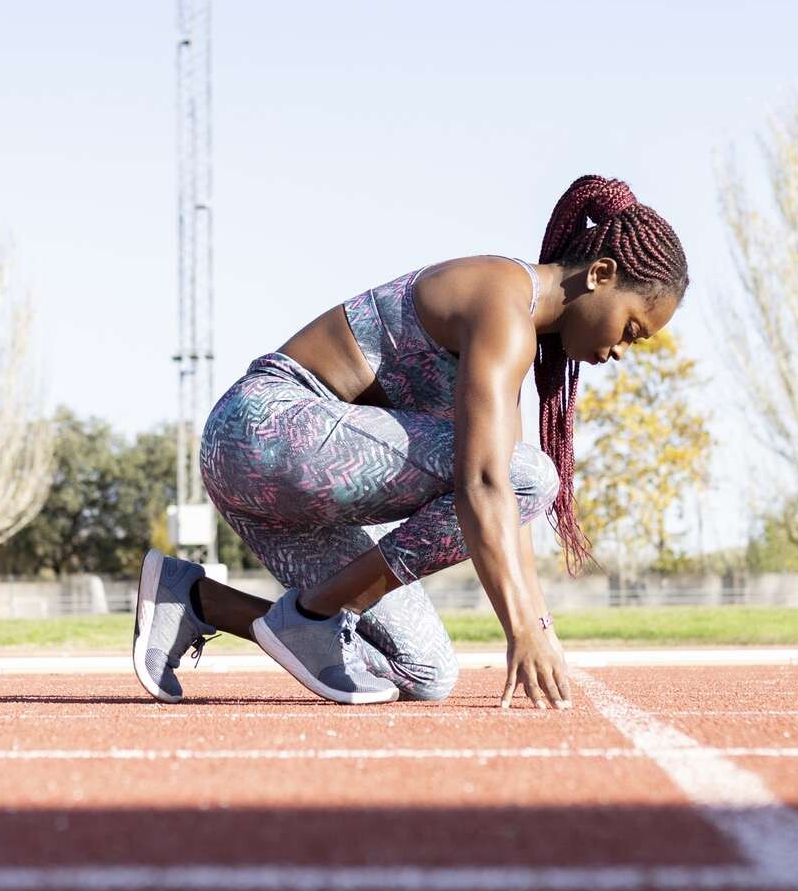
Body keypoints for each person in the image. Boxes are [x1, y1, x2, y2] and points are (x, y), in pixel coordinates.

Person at [129, 174, 688, 709]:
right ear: (601, 274)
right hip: (260, 430)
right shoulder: (502, 303)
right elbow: (489, 482)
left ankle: (194, 598)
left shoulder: (515, 337)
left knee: (425, 671)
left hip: (303, 485)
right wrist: (519, 628)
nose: (621, 351)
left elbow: (508, 509)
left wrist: (539, 627)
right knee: (530, 474)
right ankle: (314, 616)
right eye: (631, 330)